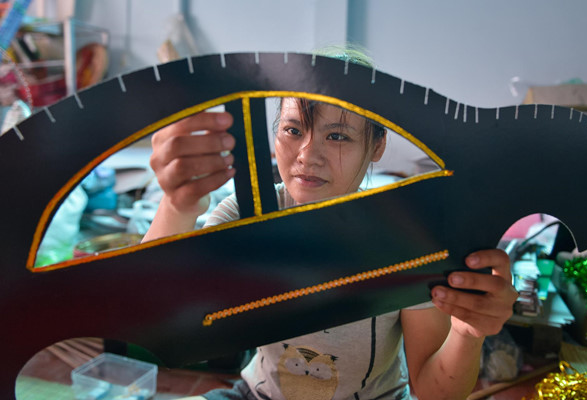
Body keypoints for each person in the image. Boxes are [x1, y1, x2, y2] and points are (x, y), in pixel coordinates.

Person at [143, 52, 518, 400]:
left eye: (337, 136)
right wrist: (177, 204)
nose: (308, 155)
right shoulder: (250, 211)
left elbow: (434, 390)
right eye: (293, 130)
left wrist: (467, 334)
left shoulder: (406, 238)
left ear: (376, 146)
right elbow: (153, 311)